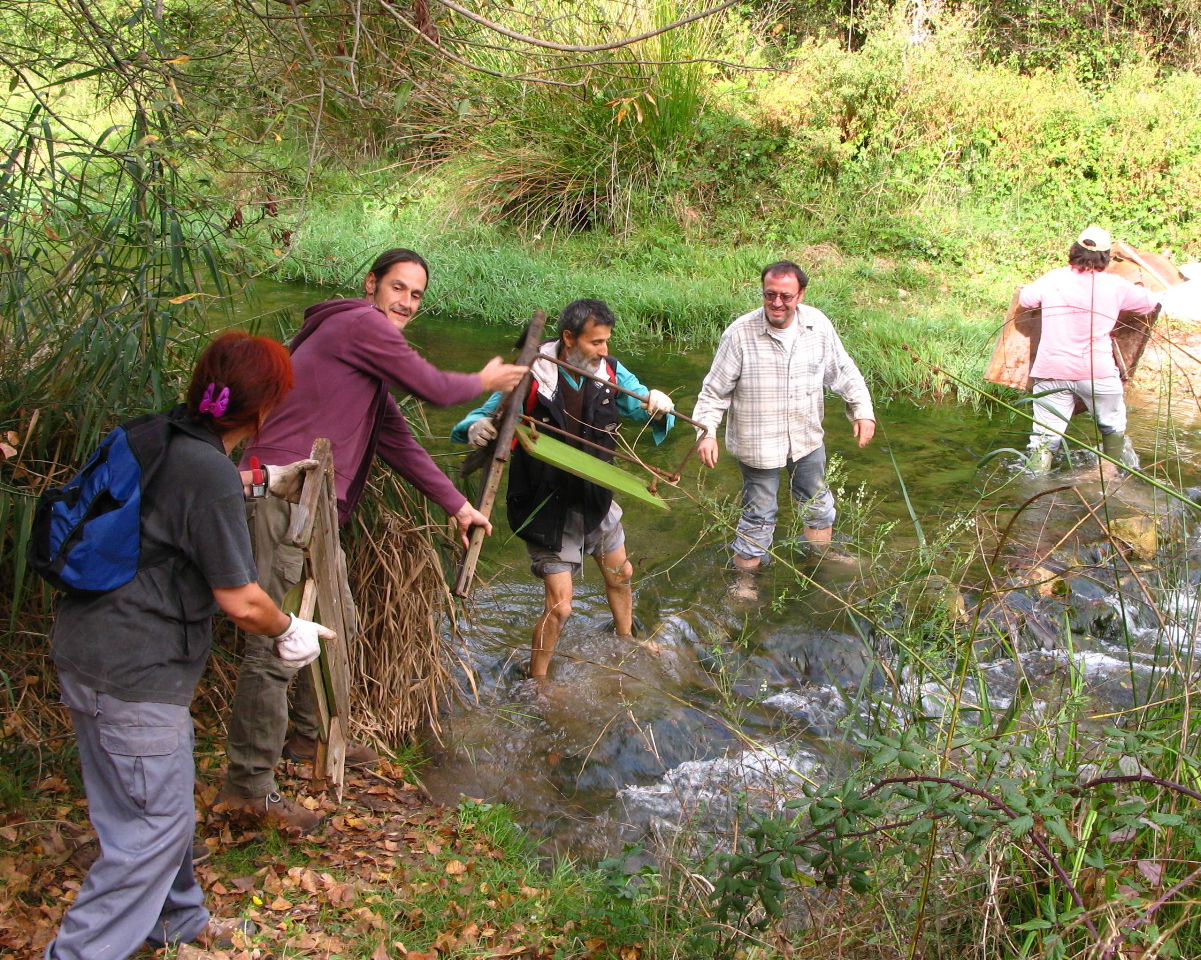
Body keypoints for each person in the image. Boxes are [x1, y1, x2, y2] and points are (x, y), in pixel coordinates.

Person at [216, 248, 527, 830]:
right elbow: (433, 388)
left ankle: (308, 739)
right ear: (371, 285)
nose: (406, 303)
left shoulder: (358, 351)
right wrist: (483, 381)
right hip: (282, 497)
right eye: (398, 289)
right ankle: (247, 792)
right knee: (273, 646)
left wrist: (458, 505)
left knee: (341, 625)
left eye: (416, 295)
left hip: (315, 508)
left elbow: (396, 437)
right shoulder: (357, 323)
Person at [44, 332, 331, 960]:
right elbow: (240, 598)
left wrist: (260, 481)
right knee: (151, 827)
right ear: (266, 410)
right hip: (133, 672)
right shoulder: (208, 471)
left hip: (85, 647)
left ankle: (175, 921)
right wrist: (290, 630)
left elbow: (170, 510)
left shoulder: (154, 431)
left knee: (157, 800)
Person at [451, 298, 675, 678]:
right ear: (568, 337)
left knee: (622, 575)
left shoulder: (611, 371)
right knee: (561, 607)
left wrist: (657, 404)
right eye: (595, 342)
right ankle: (537, 679)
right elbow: (483, 414)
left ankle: (625, 640)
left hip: (596, 497)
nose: (604, 350)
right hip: (545, 503)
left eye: (606, 341)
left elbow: (640, 406)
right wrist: (475, 428)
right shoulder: (532, 371)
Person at [692, 260, 875, 571]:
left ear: (800, 294)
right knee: (758, 514)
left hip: (806, 437)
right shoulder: (739, 335)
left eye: (785, 296)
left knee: (817, 504)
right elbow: (713, 392)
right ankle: (745, 582)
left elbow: (843, 371)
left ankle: (821, 560)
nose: (776, 303)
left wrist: (863, 411)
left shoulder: (817, 326)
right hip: (758, 444)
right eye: (769, 294)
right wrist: (706, 433)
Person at [1020, 226, 1159, 475]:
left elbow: (1026, 299)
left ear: (1074, 251)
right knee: (1112, 426)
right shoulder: (1116, 285)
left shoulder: (1054, 278)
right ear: (1105, 258)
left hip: (1052, 371)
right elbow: (1150, 302)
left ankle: (1033, 493)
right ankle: (1109, 479)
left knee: (1044, 435)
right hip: (1098, 373)